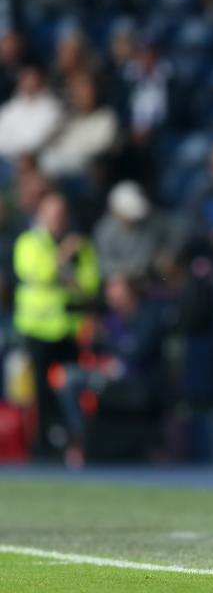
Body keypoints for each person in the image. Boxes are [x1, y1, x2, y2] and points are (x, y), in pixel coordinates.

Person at [13, 192, 100, 458]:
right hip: (37, 329)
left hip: (69, 329)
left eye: (61, 214)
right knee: (39, 392)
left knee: (71, 389)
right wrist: (62, 259)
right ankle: (43, 444)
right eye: (53, 215)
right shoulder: (30, 242)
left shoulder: (80, 246)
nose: (58, 220)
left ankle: (73, 441)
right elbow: (37, 273)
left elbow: (90, 285)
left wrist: (65, 274)